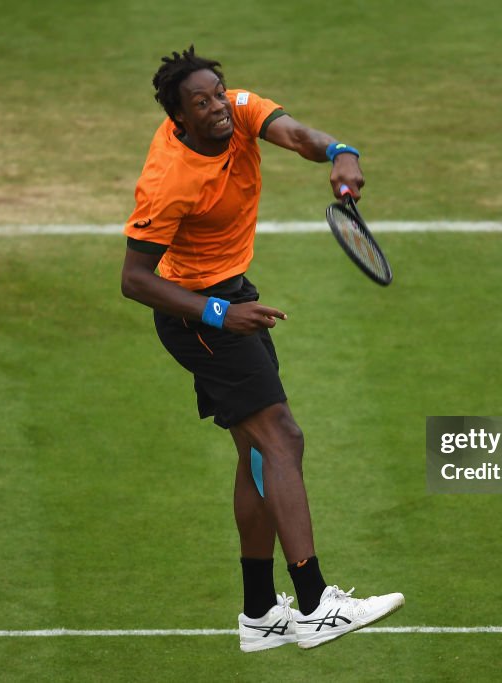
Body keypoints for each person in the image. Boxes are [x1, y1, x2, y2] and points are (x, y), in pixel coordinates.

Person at [120, 46, 403, 652]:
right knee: (282, 438)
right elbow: (135, 280)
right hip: (198, 314)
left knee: (255, 452)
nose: (218, 106)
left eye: (218, 92)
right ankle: (315, 604)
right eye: (202, 102)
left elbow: (298, 135)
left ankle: (258, 614)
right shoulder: (169, 181)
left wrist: (339, 152)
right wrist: (223, 314)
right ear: (179, 118)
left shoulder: (239, 110)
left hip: (231, 295)